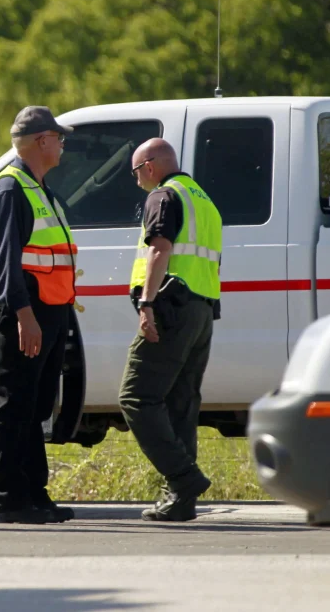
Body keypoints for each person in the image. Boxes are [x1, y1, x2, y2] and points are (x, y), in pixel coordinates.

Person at [0, 106, 79, 524]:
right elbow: (7, 263)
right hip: (27, 310)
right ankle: (7, 498)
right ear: (41, 141)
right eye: (59, 137)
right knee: (14, 403)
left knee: (36, 406)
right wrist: (25, 316)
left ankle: (33, 492)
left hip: (51, 309)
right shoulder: (10, 189)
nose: (62, 144)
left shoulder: (40, 189)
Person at [119, 137, 223, 522]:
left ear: (149, 165)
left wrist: (146, 304)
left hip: (170, 309)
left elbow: (159, 249)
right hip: (200, 311)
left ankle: (184, 477)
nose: (136, 182)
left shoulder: (163, 196)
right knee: (181, 403)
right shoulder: (204, 200)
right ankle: (180, 500)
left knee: (136, 397)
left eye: (135, 173)